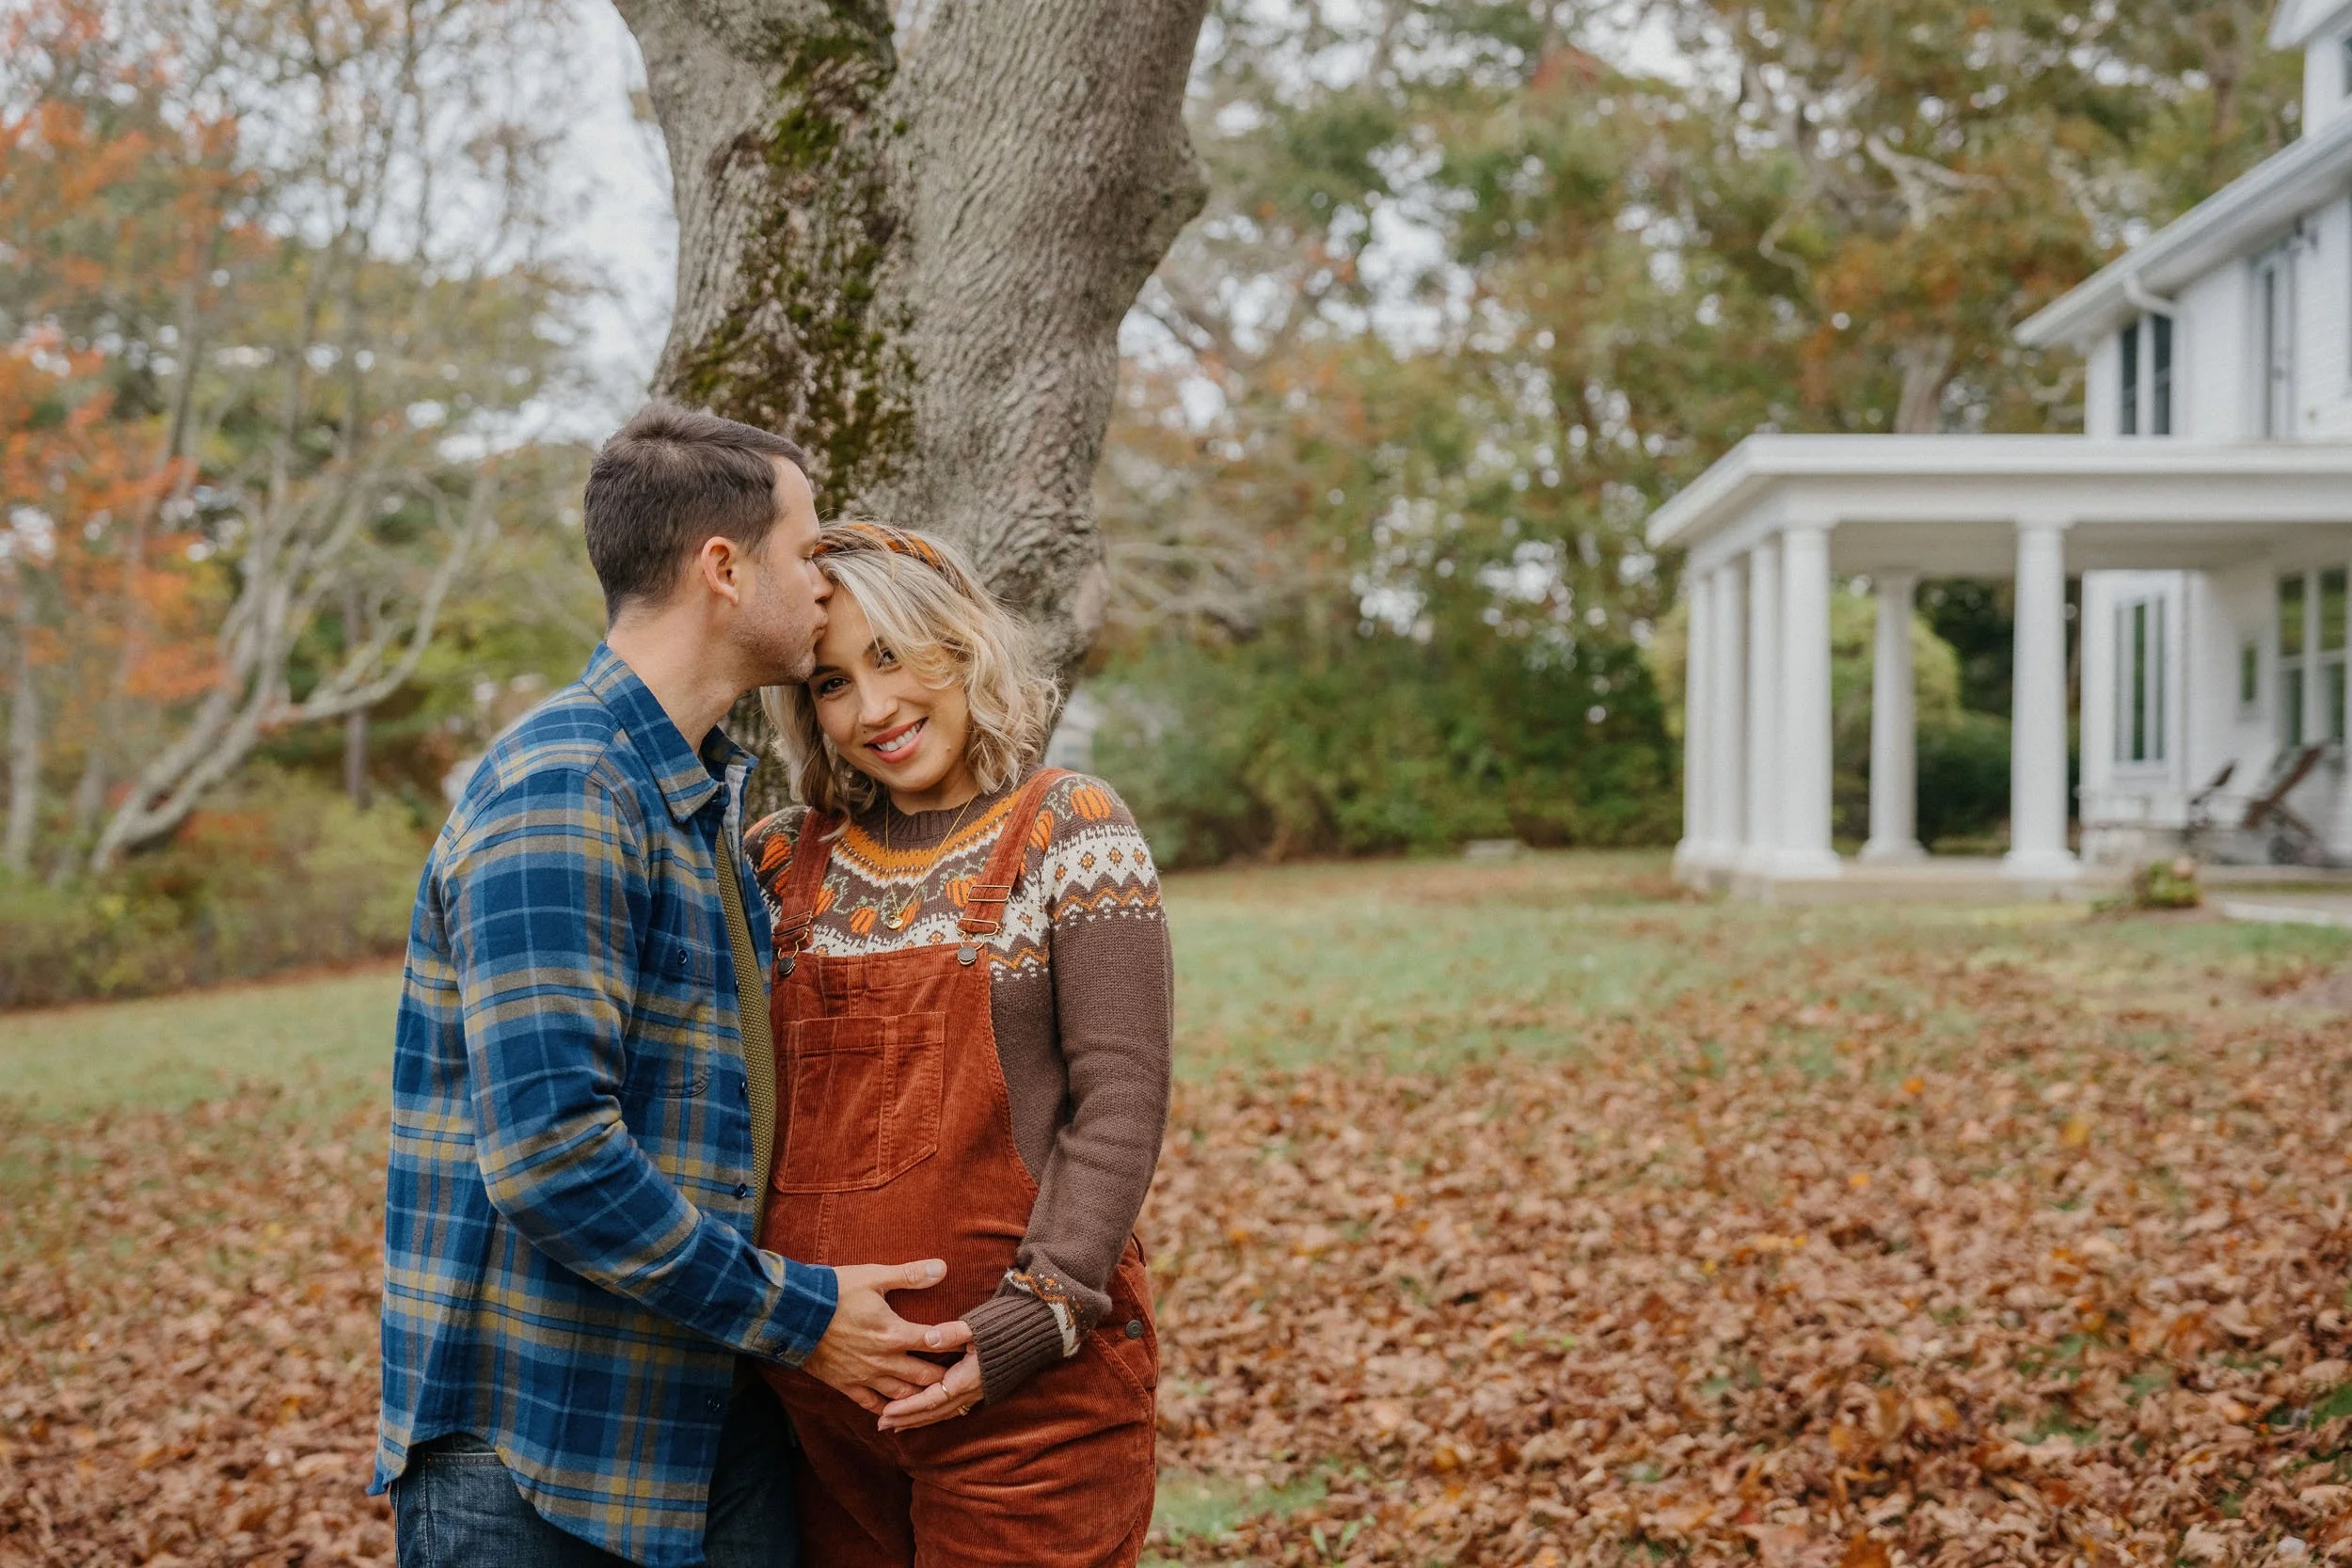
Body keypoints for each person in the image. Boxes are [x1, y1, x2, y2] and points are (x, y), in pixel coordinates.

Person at [374, 406, 969, 1568]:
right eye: (805, 550)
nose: (822, 581)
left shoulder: (693, 800)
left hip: (702, 1424)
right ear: (722, 566)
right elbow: (552, 1153)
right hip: (542, 1457)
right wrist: (806, 1319)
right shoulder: (564, 789)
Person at [742, 520, 1172, 1567]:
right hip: (823, 1420)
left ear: (962, 643)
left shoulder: (1068, 827)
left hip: (1029, 1413)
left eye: (892, 655)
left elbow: (1118, 1096)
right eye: (833, 682)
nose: (873, 708)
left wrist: (1033, 1319)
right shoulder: (774, 860)